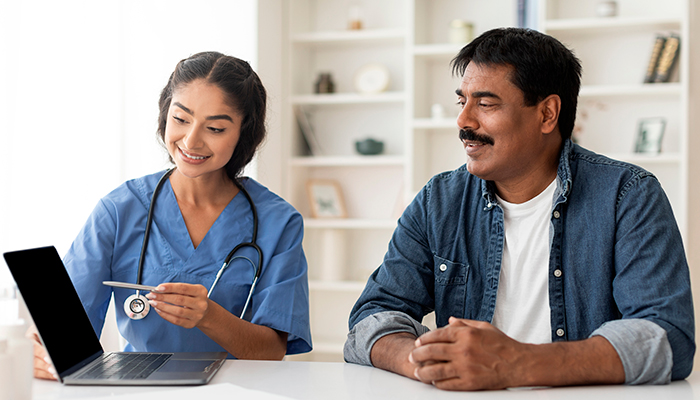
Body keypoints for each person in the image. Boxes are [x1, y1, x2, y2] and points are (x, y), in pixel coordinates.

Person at [344, 28, 694, 391]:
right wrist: (435, 364)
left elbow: (668, 336)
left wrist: (516, 364)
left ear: (547, 114)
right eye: (461, 101)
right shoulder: (439, 201)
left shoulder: (628, 195)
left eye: (485, 103)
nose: (464, 121)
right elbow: (371, 319)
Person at [32, 51, 312, 380]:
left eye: (216, 128)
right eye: (180, 119)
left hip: (238, 391)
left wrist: (209, 315)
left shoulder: (278, 222)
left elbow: (270, 352)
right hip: (139, 389)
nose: (191, 140)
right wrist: (43, 349)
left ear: (244, 134)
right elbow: (65, 329)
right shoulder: (120, 209)